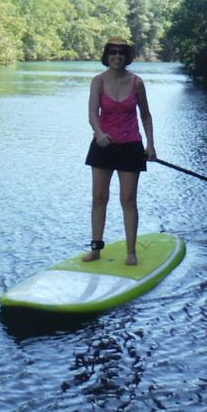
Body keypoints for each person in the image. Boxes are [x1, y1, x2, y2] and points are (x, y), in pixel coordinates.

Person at [82, 37, 156, 265]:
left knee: (128, 199)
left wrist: (150, 145)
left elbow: (145, 114)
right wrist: (99, 133)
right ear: (107, 56)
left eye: (121, 53)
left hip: (131, 146)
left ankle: (131, 252)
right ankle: (96, 248)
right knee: (99, 198)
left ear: (127, 57)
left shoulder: (136, 82)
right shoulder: (98, 81)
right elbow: (93, 114)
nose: (117, 56)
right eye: (113, 52)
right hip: (103, 146)